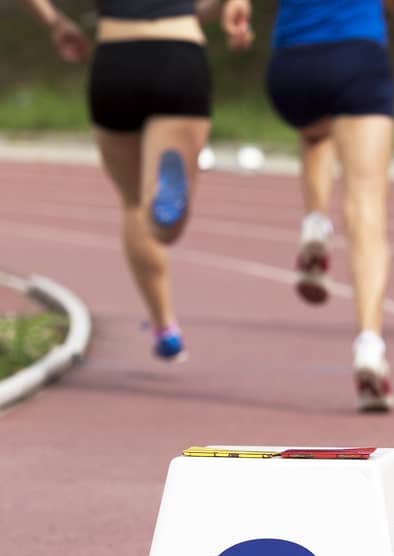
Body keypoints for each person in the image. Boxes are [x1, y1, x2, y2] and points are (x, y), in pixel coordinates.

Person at [20, 0, 253, 361]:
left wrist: (55, 22)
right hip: (180, 54)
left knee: (132, 203)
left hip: (118, 59)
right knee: (164, 223)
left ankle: (165, 327)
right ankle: (165, 204)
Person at [268, 0, 394, 411]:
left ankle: (314, 224)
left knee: (316, 131)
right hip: (356, 55)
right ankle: (369, 347)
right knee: (366, 206)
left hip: (292, 67)